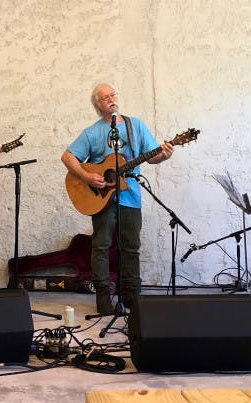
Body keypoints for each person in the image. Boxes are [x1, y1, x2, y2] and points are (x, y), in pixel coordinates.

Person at [61, 83, 173, 314]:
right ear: (98, 105)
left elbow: (152, 156)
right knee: (100, 246)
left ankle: (131, 295)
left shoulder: (136, 126)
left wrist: (164, 155)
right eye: (105, 97)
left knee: (131, 247)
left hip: (130, 196)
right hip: (102, 198)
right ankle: (103, 296)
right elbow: (68, 157)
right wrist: (87, 176)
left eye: (113, 94)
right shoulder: (93, 132)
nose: (111, 99)